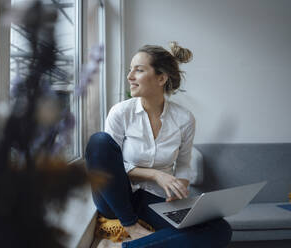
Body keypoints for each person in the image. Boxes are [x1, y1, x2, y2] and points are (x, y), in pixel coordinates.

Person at [85, 42, 232, 248]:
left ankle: (133, 247)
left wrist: (179, 188)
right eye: (130, 70)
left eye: (139, 70)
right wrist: (155, 174)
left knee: (220, 228)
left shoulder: (184, 119)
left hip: (155, 200)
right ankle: (131, 225)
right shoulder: (120, 112)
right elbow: (110, 166)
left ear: (161, 78)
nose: (130, 77)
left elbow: (183, 163)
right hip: (116, 198)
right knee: (99, 141)